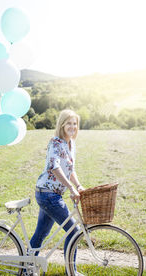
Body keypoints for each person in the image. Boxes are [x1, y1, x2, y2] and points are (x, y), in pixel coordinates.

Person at [30, 109, 85, 276]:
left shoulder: (71, 144)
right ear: (62, 124)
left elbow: (70, 169)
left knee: (41, 233)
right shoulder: (55, 142)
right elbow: (54, 167)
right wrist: (70, 188)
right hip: (48, 194)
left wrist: (79, 185)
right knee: (73, 231)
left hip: (51, 194)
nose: (72, 126)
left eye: (75, 123)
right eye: (69, 123)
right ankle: (71, 271)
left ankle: (27, 268)